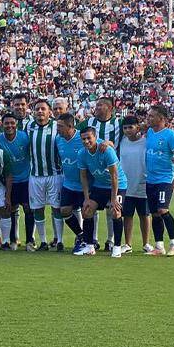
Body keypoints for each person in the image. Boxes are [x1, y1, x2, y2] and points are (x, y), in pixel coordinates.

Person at [80, 95, 123, 248]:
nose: (96, 108)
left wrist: (110, 143)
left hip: (112, 171)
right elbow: (75, 131)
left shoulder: (119, 122)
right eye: (96, 106)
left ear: (109, 108)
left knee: (112, 208)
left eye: (100, 106)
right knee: (92, 207)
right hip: (94, 172)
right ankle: (93, 239)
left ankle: (111, 240)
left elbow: (133, 130)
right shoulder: (88, 122)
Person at [76, 127, 127, 258]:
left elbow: (114, 176)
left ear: (95, 137)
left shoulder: (106, 151)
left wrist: (114, 199)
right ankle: (89, 246)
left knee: (115, 212)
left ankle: (116, 247)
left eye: (89, 138)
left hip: (117, 185)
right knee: (87, 210)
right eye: (83, 139)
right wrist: (86, 198)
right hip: (99, 186)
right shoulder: (82, 154)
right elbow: (83, 177)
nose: (86, 141)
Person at [144, 105, 174, 257]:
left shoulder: (170, 135)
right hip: (150, 179)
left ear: (161, 119)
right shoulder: (149, 132)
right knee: (155, 213)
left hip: (165, 179)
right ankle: (159, 246)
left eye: (152, 116)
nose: (149, 118)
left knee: (162, 210)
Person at [28, 99, 61, 250]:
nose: (40, 111)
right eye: (37, 109)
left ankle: (59, 241)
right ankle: (42, 241)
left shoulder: (56, 126)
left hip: (55, 175)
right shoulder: (29, 126)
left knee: (57, 208)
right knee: (38, 208)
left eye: (43, 109)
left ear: (49, 112)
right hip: (35, 175)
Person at [0, 114, 33, 250]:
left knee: (28, 208)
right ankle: (13, 240)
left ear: (16, 124)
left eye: (12, 123)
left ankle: (30, 241)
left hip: (25, 179)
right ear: (2, 125)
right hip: (9, 180)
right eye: (6, 123)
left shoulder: (24, 137)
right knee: (11, 208)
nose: (10, 126)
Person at [54, 113, 88, 253]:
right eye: (57, 126)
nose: (58, 129)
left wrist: (107, 143)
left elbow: (101, 144)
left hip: (85, 183)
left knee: (88, 212)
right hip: (68, 183)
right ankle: (81, 236)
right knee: (64, 210)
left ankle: (90, 241)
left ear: (70, 126)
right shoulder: (58, 140)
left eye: (60, 127)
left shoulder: (82, 137)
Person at [117, 116, 151, 253]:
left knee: (144, 215)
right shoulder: (122, 141)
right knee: (127, 216)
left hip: (143, 184)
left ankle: (146, 243)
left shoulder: (146, 141)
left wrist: (142, 126)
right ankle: (128, 244)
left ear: (138, 127)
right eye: (125, 128)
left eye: (130, 127)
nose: (127, 130)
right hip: (126, 184)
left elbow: (150, 127)